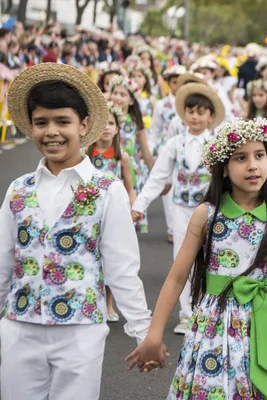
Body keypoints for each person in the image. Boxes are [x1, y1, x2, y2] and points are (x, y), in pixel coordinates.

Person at [0, 63, 153, 398]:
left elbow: (122, 268)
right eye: (41, 123)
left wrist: (145, 333)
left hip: (81, 332)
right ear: (32, 127)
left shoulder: (107, 190)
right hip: (20, 328)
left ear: (83, 125)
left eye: (62, 121)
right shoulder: (18, 190)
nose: (51, 131)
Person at [127, 118, 267, 399]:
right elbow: (176, 277)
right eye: (240, 158)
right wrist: (154, 334)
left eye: (260, 155)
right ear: (223, 168)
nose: (253, 165)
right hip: (216, 327)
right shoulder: (207, 215)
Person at [131, 82, 225, 335]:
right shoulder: (174, 143)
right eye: (191, 111)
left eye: (201, 112)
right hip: (182, 210)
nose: (195, 116)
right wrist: (139, 205)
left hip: (212, 210)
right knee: (182, 261)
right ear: (184, 115)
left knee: (213, 260)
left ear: (211, 116)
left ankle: (210, 311)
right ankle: (187, 314)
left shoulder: (218, 144)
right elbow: (158, 177)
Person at [86, 101, 137, 322]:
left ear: (117, 128)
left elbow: (130, 187)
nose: (106, 128)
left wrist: (133, 210)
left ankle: (109, 304)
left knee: (111, 257)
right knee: (91, 256)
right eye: (103, 123)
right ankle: (91, 300)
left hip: (115, 211)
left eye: (111, 123)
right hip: (89, 209)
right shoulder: (86, 153)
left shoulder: (121, 156)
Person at [109, 74, 154, 233]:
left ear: (132, 100)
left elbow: (146, 153)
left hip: (131, 171)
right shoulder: (105, 119)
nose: (117, 97)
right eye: (115, 93)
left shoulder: (135, 122)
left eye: (123, 94)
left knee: (128, 215)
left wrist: (157, 178)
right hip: (108, 167)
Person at [149, 65, 187, 243]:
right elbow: (155, 130)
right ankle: (172, 228)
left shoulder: (190, 104)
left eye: (181, 82)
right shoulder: (162, 104)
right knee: (167, 187)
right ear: (169, 83)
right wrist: (150, 151)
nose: (177, 86)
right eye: (174, 82)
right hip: (166, 149)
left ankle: (184, 227)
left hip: (185, 152)